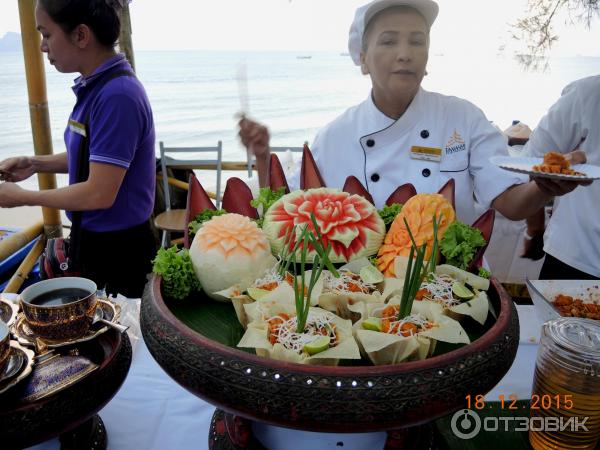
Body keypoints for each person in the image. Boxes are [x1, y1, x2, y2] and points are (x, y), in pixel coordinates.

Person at [239, 0, 589, 230]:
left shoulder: (464, 119)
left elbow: (511, 204)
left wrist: (544, 186)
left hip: (451, 289)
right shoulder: (334, 136)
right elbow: (290, 213)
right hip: (362, 292)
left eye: (417, 41)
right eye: (389, 41)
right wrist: (261, 154)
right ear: (362, 58)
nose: (405, 54)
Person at [0, 0, 156, 297]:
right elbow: (94, 158)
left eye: (46, 34)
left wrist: (23, 197)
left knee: (116, 336)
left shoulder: (117, 96)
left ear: (81, 35)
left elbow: (100, 191)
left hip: (120, 251)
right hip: (96, 240)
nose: (43, 47)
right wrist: (34, 164)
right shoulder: (97, 86)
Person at [521, 76, 599, 280]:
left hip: (574, 254)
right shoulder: (587, 94)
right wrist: (535, 228)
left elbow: (532, 162)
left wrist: (535, 229)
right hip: (577, 258)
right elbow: (535, 163)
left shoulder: (587, 93)